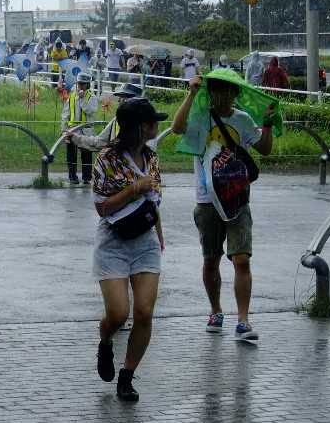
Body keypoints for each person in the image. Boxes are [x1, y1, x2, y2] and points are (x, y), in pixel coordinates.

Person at [170, 69, 277, 343]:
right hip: (207, 200)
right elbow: (177, 128)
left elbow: (264, 149)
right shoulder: (201, 117)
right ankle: (216, 310)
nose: (224, 95)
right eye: (218, 89)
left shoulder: (242, 120)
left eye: (229, 90)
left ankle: (243, 320)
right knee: (210, 259)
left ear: (236, 93)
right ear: (212, 92)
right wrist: (191, 94)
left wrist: (267, 125)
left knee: (241, 259)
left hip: (238, 198)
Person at [92, 97, 167, 403]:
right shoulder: (107, 159)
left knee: (145, 312)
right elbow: (102, 208)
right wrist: (134, 188)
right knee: (119, 313)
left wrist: (160, 236)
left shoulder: (152, 157)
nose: (156, 126)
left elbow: (155, 202)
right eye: (152, 122)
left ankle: (127, 375)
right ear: (139, 127)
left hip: (145, 241)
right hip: (113, 242)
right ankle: (106, 341)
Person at [66, 84, 144, 151]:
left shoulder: (145, 125)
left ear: (131, 100)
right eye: (119, 97)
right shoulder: (116, 120)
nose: (119, 101)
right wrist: (74, 137)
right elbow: (99, 141)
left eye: (122, 97)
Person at [59, 72, 99, 184]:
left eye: (82, 84)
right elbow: (65, 114)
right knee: (71, 155)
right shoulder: (72, 96)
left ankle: (87, 177)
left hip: (86, 131)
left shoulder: (92, 97)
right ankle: (72, 176)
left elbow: (91, 111)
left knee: (86, 154)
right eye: (79, 84)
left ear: (87, 85)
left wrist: (82, 100)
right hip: (72, 130)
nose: (80, 86)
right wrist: (63, 129)